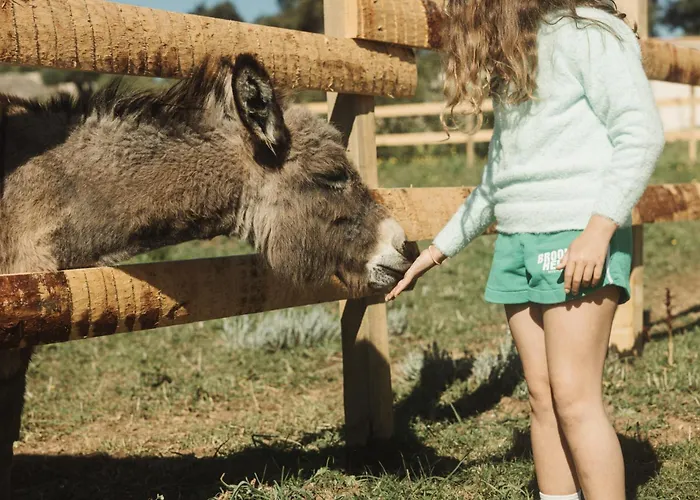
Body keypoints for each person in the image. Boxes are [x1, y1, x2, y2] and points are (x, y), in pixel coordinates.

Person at [385, 1, 665, 499]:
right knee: (542, 397)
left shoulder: (589, 32)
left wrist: (598, 230)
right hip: (516, 240)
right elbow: (498, 180)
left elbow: (641, 133)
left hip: (576, 233)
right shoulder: (514, 54)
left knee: (575, 398)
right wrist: (435, 252)